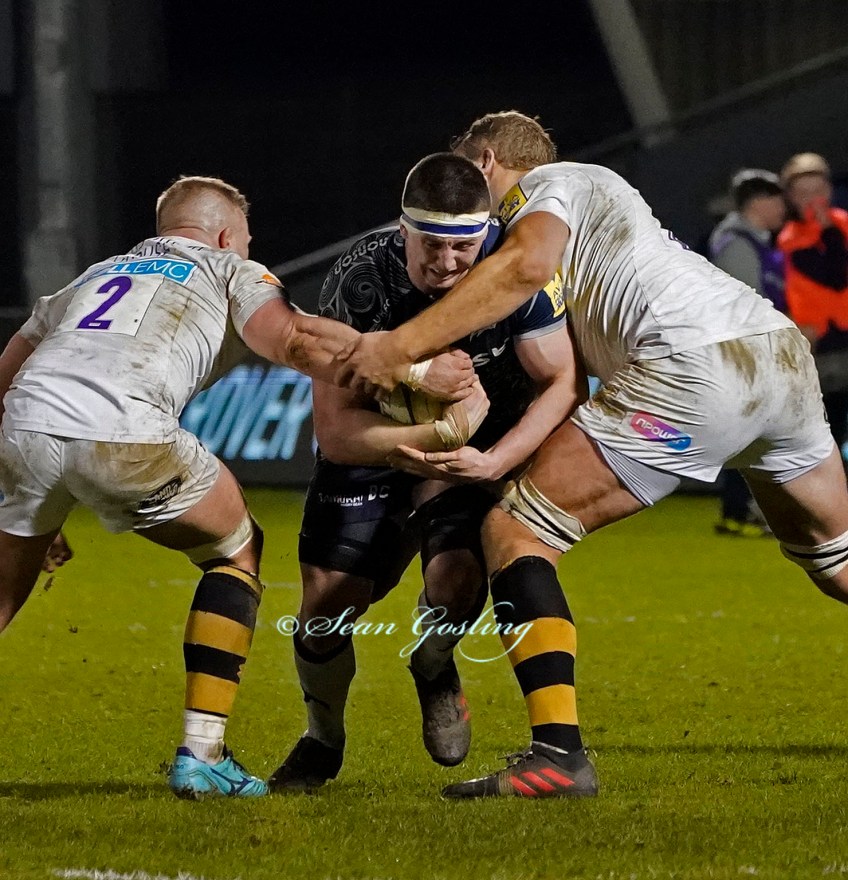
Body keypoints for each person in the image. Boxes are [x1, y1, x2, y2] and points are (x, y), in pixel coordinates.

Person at [336, 111, 848, 799]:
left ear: (486, 161)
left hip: (691, 367)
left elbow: (527, 267)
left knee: (516, 532)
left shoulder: (549, 185)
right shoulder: (598, 210)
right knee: (837, 560)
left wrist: (399, 349)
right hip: (775, 354)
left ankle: (557, 756)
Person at [0, 175, 481, 800]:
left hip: (23, 427)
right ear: (228, 236)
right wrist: (414, 368)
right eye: (247, 240)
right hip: (126, 431)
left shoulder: (92, 277)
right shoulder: (229, 268)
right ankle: (202, 754)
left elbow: (8, 375)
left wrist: (38, 491)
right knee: (236, 549)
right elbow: (296, 339)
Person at [268, 153, 585, 792]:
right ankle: (322, 738)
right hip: (380, 443)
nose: (445, 263)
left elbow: (563, 381)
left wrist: (496, 458)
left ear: (485, 233)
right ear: (403, 229)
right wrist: (433, 425)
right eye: (430, 244)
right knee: (325, 611)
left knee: (457, 580)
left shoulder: (514, 272)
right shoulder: (360, 280)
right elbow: (337, 433)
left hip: (476, 450)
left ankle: (433, 662)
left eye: (462, 246)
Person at [708, 168, 787, 537]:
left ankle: (745, 511)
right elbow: (748, 306)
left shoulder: (755, 239)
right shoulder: (736, 242)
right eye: (778, 200)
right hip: (747, 354)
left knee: (755, 435)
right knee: (750, 435)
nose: (784, 208)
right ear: (759, 202)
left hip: (753, 353)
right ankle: (741, 511)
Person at [777, 152, 848, 457]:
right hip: (824, 348)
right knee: (832, 429)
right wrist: (829, 231)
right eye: (803, 193)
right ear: (791, 198)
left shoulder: (843, 222)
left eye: (818, 190)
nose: (813, 199)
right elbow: (835, 275)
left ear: (829, 190)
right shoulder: (791, 237)